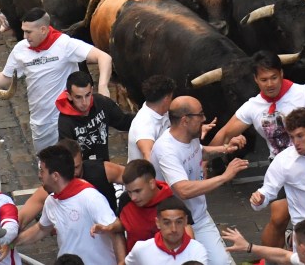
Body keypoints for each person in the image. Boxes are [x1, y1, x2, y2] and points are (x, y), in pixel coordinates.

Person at [209, 50, 305, 247]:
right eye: (264, 79)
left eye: (274, 77)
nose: (270, 83)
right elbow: (224, 134)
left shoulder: (304, 93)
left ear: (281, 74)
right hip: (282, 166)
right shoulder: (252, 107)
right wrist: (205, 158)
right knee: (279, 217)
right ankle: (271, 258)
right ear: (256, 80)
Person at [0, 7, 112, 152]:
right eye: (23, 31)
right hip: (40, 122)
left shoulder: (65, 44)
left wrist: (103, 86)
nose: (25, 36)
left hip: (66, 119)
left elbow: (104, 57)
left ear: (43, 30)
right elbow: (6, 77)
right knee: (46, 164)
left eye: (29, 32)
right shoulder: (21, 49)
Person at [151, 96, 248, 265]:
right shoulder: (166, 150)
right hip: (175, 225)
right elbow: (183, 190)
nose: (204, 119)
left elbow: (199, 151)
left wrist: (225, 148)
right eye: (200, 114)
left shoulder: (190, 136)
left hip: (199, 216)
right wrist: (225, 176)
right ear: (185, 120)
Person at [15, 145, 125, 264]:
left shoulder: (90, 198)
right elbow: (41, 229)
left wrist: (121, 263)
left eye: (42, 170)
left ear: (55, 176)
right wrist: (10, 243)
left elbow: (116, 231)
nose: (39, 175)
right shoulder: (51, 201)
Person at [18, 139, 125, 228]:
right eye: (68, 168)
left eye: (76, 167)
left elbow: (135, 177)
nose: (73, 173)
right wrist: (9, 236)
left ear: (82, 158)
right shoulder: (53, 185)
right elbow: (23, 218)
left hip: (108, 225)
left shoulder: (103, 170)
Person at [90, 159, 182, 252]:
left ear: (152, 183)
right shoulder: (126, 199)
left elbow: (187, 239)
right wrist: (109, 228)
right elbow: (123, 222)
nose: (133, 197)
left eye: (138, 191)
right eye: (129, 192)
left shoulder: (174, 206)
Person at [57, 71, 135, 161]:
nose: (84, 102)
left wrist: (148, 117)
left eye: (87, 95)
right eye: (78, 97)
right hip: (81, 171)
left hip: (103, 167)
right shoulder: (65, 121)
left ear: (92, 90)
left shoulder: (102, 103)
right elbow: (66, 156)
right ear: (69, 96)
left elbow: (124, 121)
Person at [125, 197, 208, 265]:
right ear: (158, 223)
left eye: (178, 222)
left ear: (186, 221)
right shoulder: (141, 249)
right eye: (167, 223)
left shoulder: (197, 251)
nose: (174, 229)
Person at [222, 218, 305, 265]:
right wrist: (248, 247)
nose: (293, 248)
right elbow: (283, 255)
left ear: (302, 249)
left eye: (295, 243)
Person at [128, 75, 176, 161]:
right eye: (171, 97)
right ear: (166, 98)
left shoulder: (163, 113)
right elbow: (148, 155)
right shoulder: (144, 123)